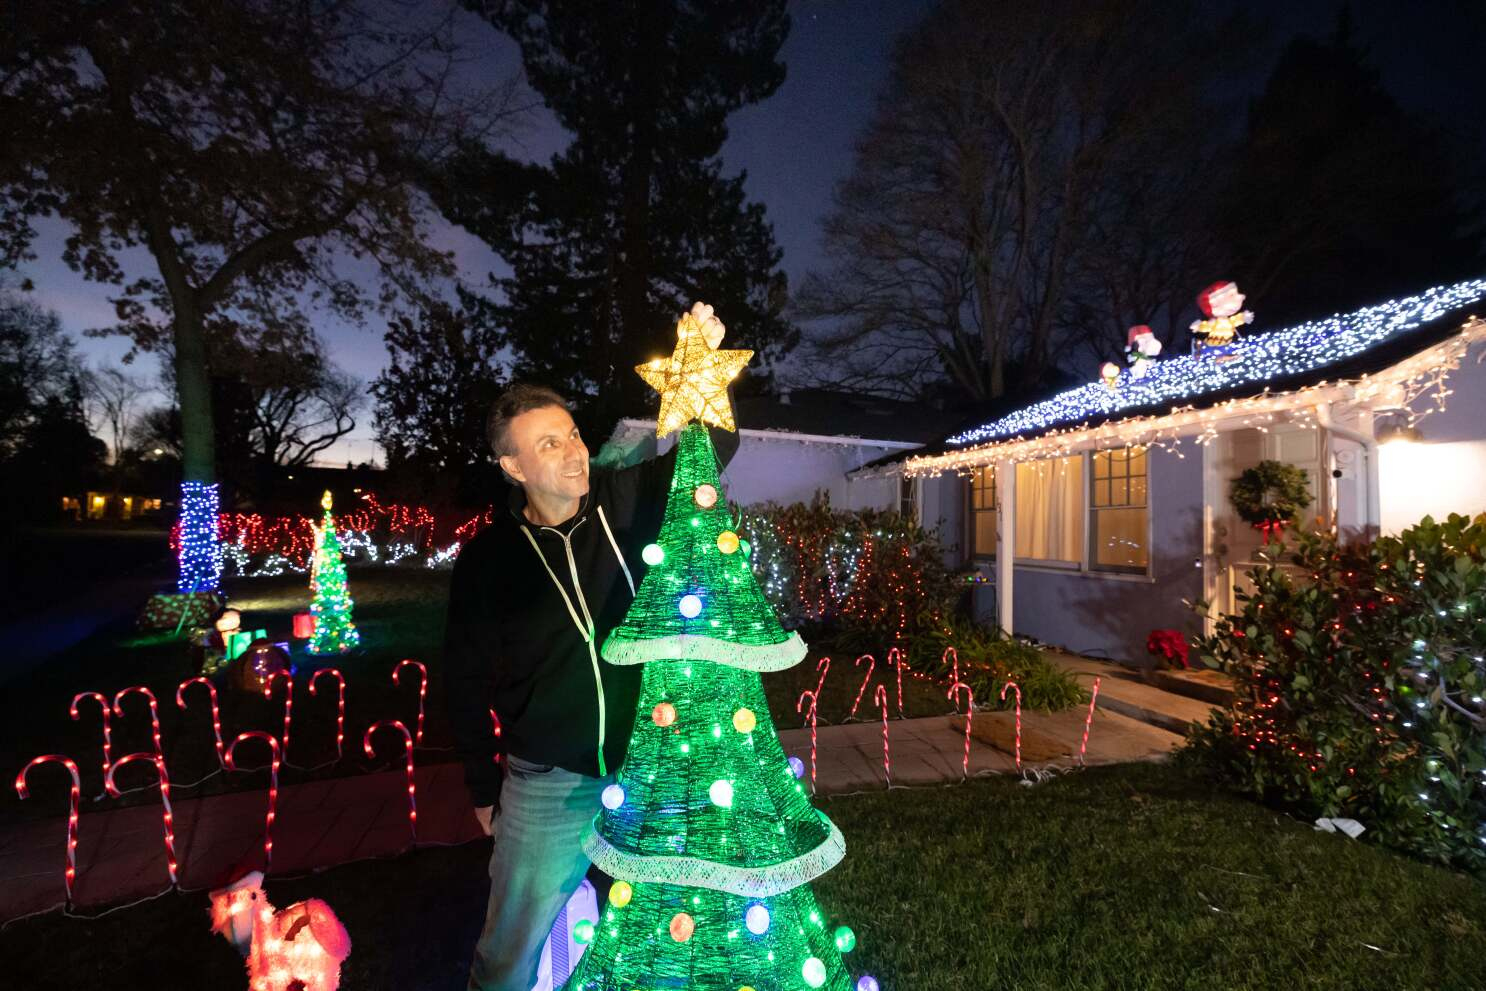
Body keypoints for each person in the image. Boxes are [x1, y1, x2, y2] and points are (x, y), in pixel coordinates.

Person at [444, 382, 739, 991]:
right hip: (550, 783)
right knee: (507, 953)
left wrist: (707, 369)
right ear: (512, 465)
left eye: (573, 434)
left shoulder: (620, 500)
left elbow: (715, 449)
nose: (574, 452)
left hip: (651, 768)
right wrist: (480, 787)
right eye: (549, 444)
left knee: (679, 933)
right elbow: (464, 681)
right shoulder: (488, 561)